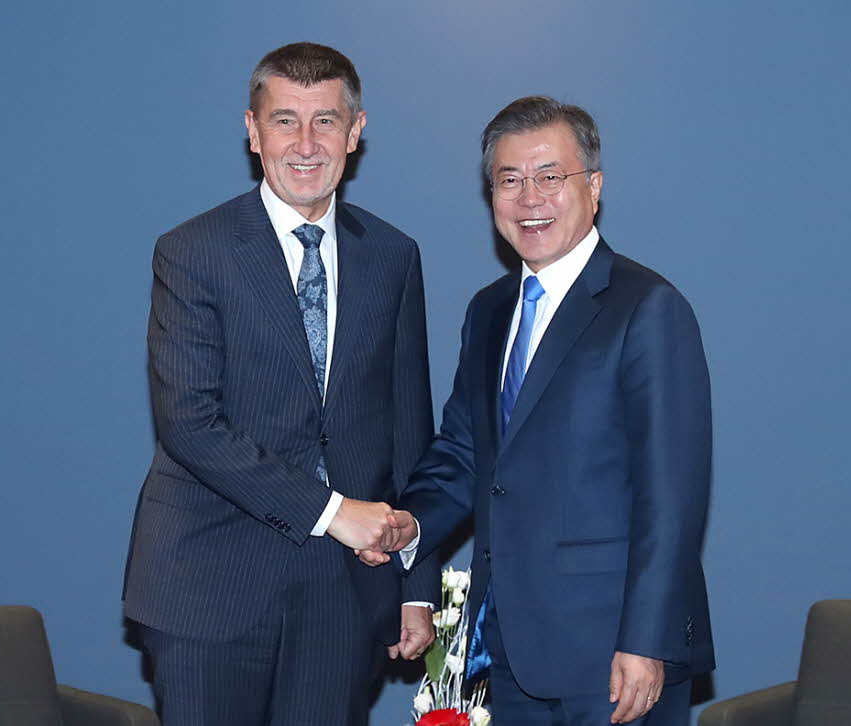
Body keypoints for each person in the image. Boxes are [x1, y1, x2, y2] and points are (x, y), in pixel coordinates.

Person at [363, 96, 714, 725]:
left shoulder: (648, 308)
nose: (531, 198)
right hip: (509, 647)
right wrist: (406, 526)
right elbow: (465, 453)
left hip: (615, 655)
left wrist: (647, 641)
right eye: (509, 180)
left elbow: (674, 497)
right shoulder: (490, 310)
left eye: (551, 176)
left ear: (594, 186)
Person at [123, 42, 438, 726]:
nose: (305, 142)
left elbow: (410, 429)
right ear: (252, 128)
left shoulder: (393, 256)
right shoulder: (194, 251)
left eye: (325, 121)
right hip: (210, 581)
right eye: (285, 120)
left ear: (355, 133)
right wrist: (334, 512)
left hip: (343, 592)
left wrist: (418, 583)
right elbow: (189, 424)